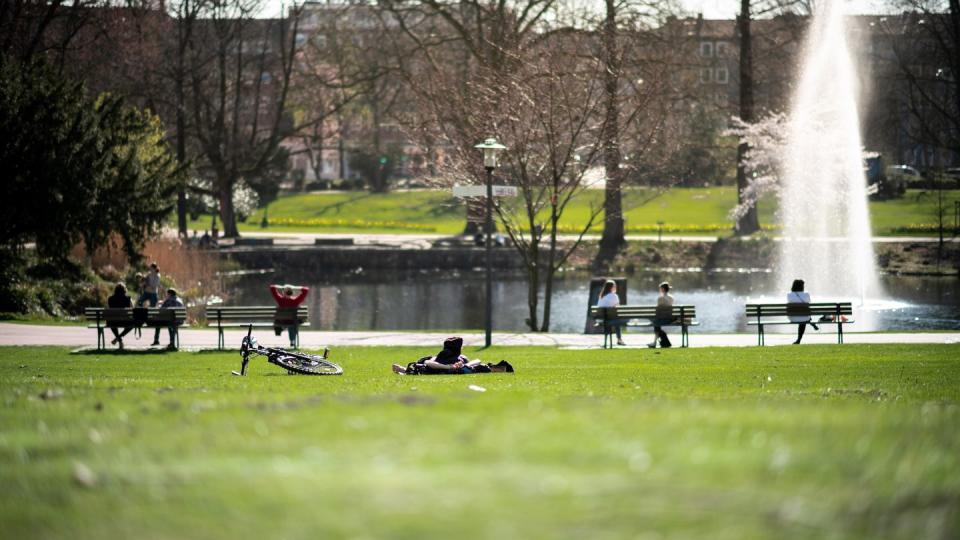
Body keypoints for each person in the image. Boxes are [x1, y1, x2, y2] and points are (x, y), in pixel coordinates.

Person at [392, 337, 514, 374]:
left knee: (480, 367)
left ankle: (500, 369)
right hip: (446, 367)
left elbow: (476, 360)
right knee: (482, 367)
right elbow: (429, 363)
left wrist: (463, 365)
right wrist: (450, 367)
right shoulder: (444, 356)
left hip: (460, 367)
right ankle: (500, 369)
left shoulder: (461, 358)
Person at [270, 283, 309, 347]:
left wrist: (282, 286)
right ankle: (292, 341)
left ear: (283, 292)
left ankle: (283, 329)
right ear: (292, 292)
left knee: (290, 324)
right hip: (292, 321)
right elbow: (306, 290)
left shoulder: (280, 300)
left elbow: (272, 288)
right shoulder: (295, 300)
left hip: (282, 321)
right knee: (292, 324)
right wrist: (294, 287)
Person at [787, 279, 819, 344]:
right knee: (804, 318)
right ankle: (799, 339)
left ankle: (810, 322)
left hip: (793, 317)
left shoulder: (789, 294)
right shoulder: (806, 294)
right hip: (805, 317)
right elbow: (809, 301)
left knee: (802, 316)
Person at [596, 280, 626, 346]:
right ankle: (619, 339)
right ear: (610, 287)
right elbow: (618, 308)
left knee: (614, 319)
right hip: (611, 319)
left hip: (601, 319)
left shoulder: (601, 296)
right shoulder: (614, 296)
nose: (615, 287)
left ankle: (610, 340)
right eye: (614, 286)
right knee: (617, 320)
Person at [107, 283, 134, 349]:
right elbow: (132, 309)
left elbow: (109, 310)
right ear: (124, 290)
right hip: (125, 321)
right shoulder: (128, 298)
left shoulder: (110, 298)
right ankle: (119, 338)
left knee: (111, 322)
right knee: (132, 324)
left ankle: (119, 340)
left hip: (113, 322)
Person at [648, 282, 674, 349]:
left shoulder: (660, 298)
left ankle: (654, 342)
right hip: (669, 318)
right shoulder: (671, 298)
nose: (659, 290)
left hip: (662, 319)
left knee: (655, 324)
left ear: (662, 289)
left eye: (660, 288)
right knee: (656, 325)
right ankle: (656, 342)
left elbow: (658, 311)